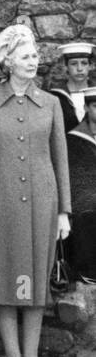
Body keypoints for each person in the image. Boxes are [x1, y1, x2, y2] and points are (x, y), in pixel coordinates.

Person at [0, 24, 71, 357]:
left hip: (43, 202)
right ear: (8, 62)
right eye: (26, 56)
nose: (34, 61)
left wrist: (64, 212)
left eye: (36, 55)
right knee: (6, 277)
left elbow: (61, 161)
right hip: (0, 203)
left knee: (36, 278)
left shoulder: (51, 103)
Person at [64, 86, 96, 282]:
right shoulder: (74, 140)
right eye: (95, 106)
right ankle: (89, 273)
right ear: (86, 107)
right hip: (87, 203)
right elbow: (77, 182)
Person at [48, 41, 92, 136]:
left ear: (90, 66)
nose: (79, 68)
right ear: (66, 66)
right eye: (74, 64)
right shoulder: (56, 96)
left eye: (84, 63)